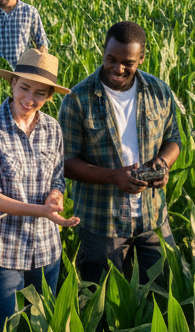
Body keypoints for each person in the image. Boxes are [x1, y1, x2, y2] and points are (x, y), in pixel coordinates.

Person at [58, 21, 181, 283]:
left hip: (152, 217)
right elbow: (66, 163)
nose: (118, 68)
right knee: (100, 303)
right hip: (102, 222)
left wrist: (163, 163)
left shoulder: (159, 91)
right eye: (111, 59)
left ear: (142, 58)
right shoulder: (77, 99)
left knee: (163, 293)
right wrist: (114, 176)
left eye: (128, 62)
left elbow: (173, 139)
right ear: (103, 51)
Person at [0, 49, 79, 332]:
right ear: (12, 83)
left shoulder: (53, 129)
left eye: (40, 93)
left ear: (50, 96)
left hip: (45, 251)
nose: (30, 99)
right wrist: (42, 211)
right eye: (24, 88)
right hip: (1, 251)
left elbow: (57, 179)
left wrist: (55, 198)